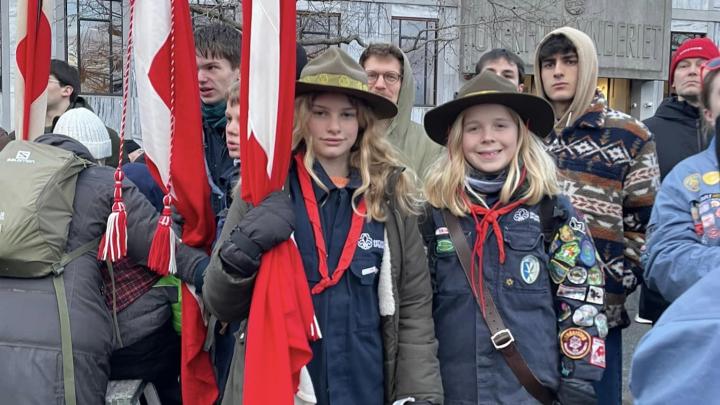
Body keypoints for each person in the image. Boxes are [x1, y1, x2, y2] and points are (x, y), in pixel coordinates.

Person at [202, 47, 442, 405]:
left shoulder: (392, 195)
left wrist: (419, 395)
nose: (334, 127)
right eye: (321, 113)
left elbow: (413, 311)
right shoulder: (266, 190)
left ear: (362, 121)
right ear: (302, 116)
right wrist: (245, 248)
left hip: (365, 386)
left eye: (346, 114)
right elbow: (219, 302)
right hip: (281, 385)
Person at [421, 70, 604, 404]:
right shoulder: (432, 215)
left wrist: (580, 378)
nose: (487, 137)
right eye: (473, 128)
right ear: (456, 138)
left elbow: (582, 297)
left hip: (528, 391)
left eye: (500, 125)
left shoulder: (553, 211)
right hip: (454, 390)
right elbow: (417, 309)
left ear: (521, 133)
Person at [0, 133, 208, 404]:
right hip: (76, 337)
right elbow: (163, 247)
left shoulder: (8, 185)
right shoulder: (102, 183)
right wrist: (210, 272)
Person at [532, 27, 660, 405]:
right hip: (529, 306)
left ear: (587, 66)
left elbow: (646, 226)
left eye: (569, 62)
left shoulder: (629, 134)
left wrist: (614, 283)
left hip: (597, 315)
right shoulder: (524, 134)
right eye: (548, 63)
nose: (557, 71)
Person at [638, 37, 719, 323]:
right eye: (683, 66)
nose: (692, 70)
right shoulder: (646, 133)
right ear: (672, 81)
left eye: (700, 64)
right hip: (667, 300)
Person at [359, 43, 444, 179]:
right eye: (371, 75)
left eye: (390, 76)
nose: (380, 85)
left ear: (403, 84)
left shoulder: (430, 145)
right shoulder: (342, 139)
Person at [194, 23, 241, 215]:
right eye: (196, 68)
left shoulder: (261, 132)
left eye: (211, 68)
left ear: (238, 70)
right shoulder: (186, 129)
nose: (201, 78)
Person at [45, 59, 122, 167]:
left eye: (45, 80)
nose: (35, 86)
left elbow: (116, 179)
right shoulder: (20, 135)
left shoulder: (105, 137)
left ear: (67, 90)